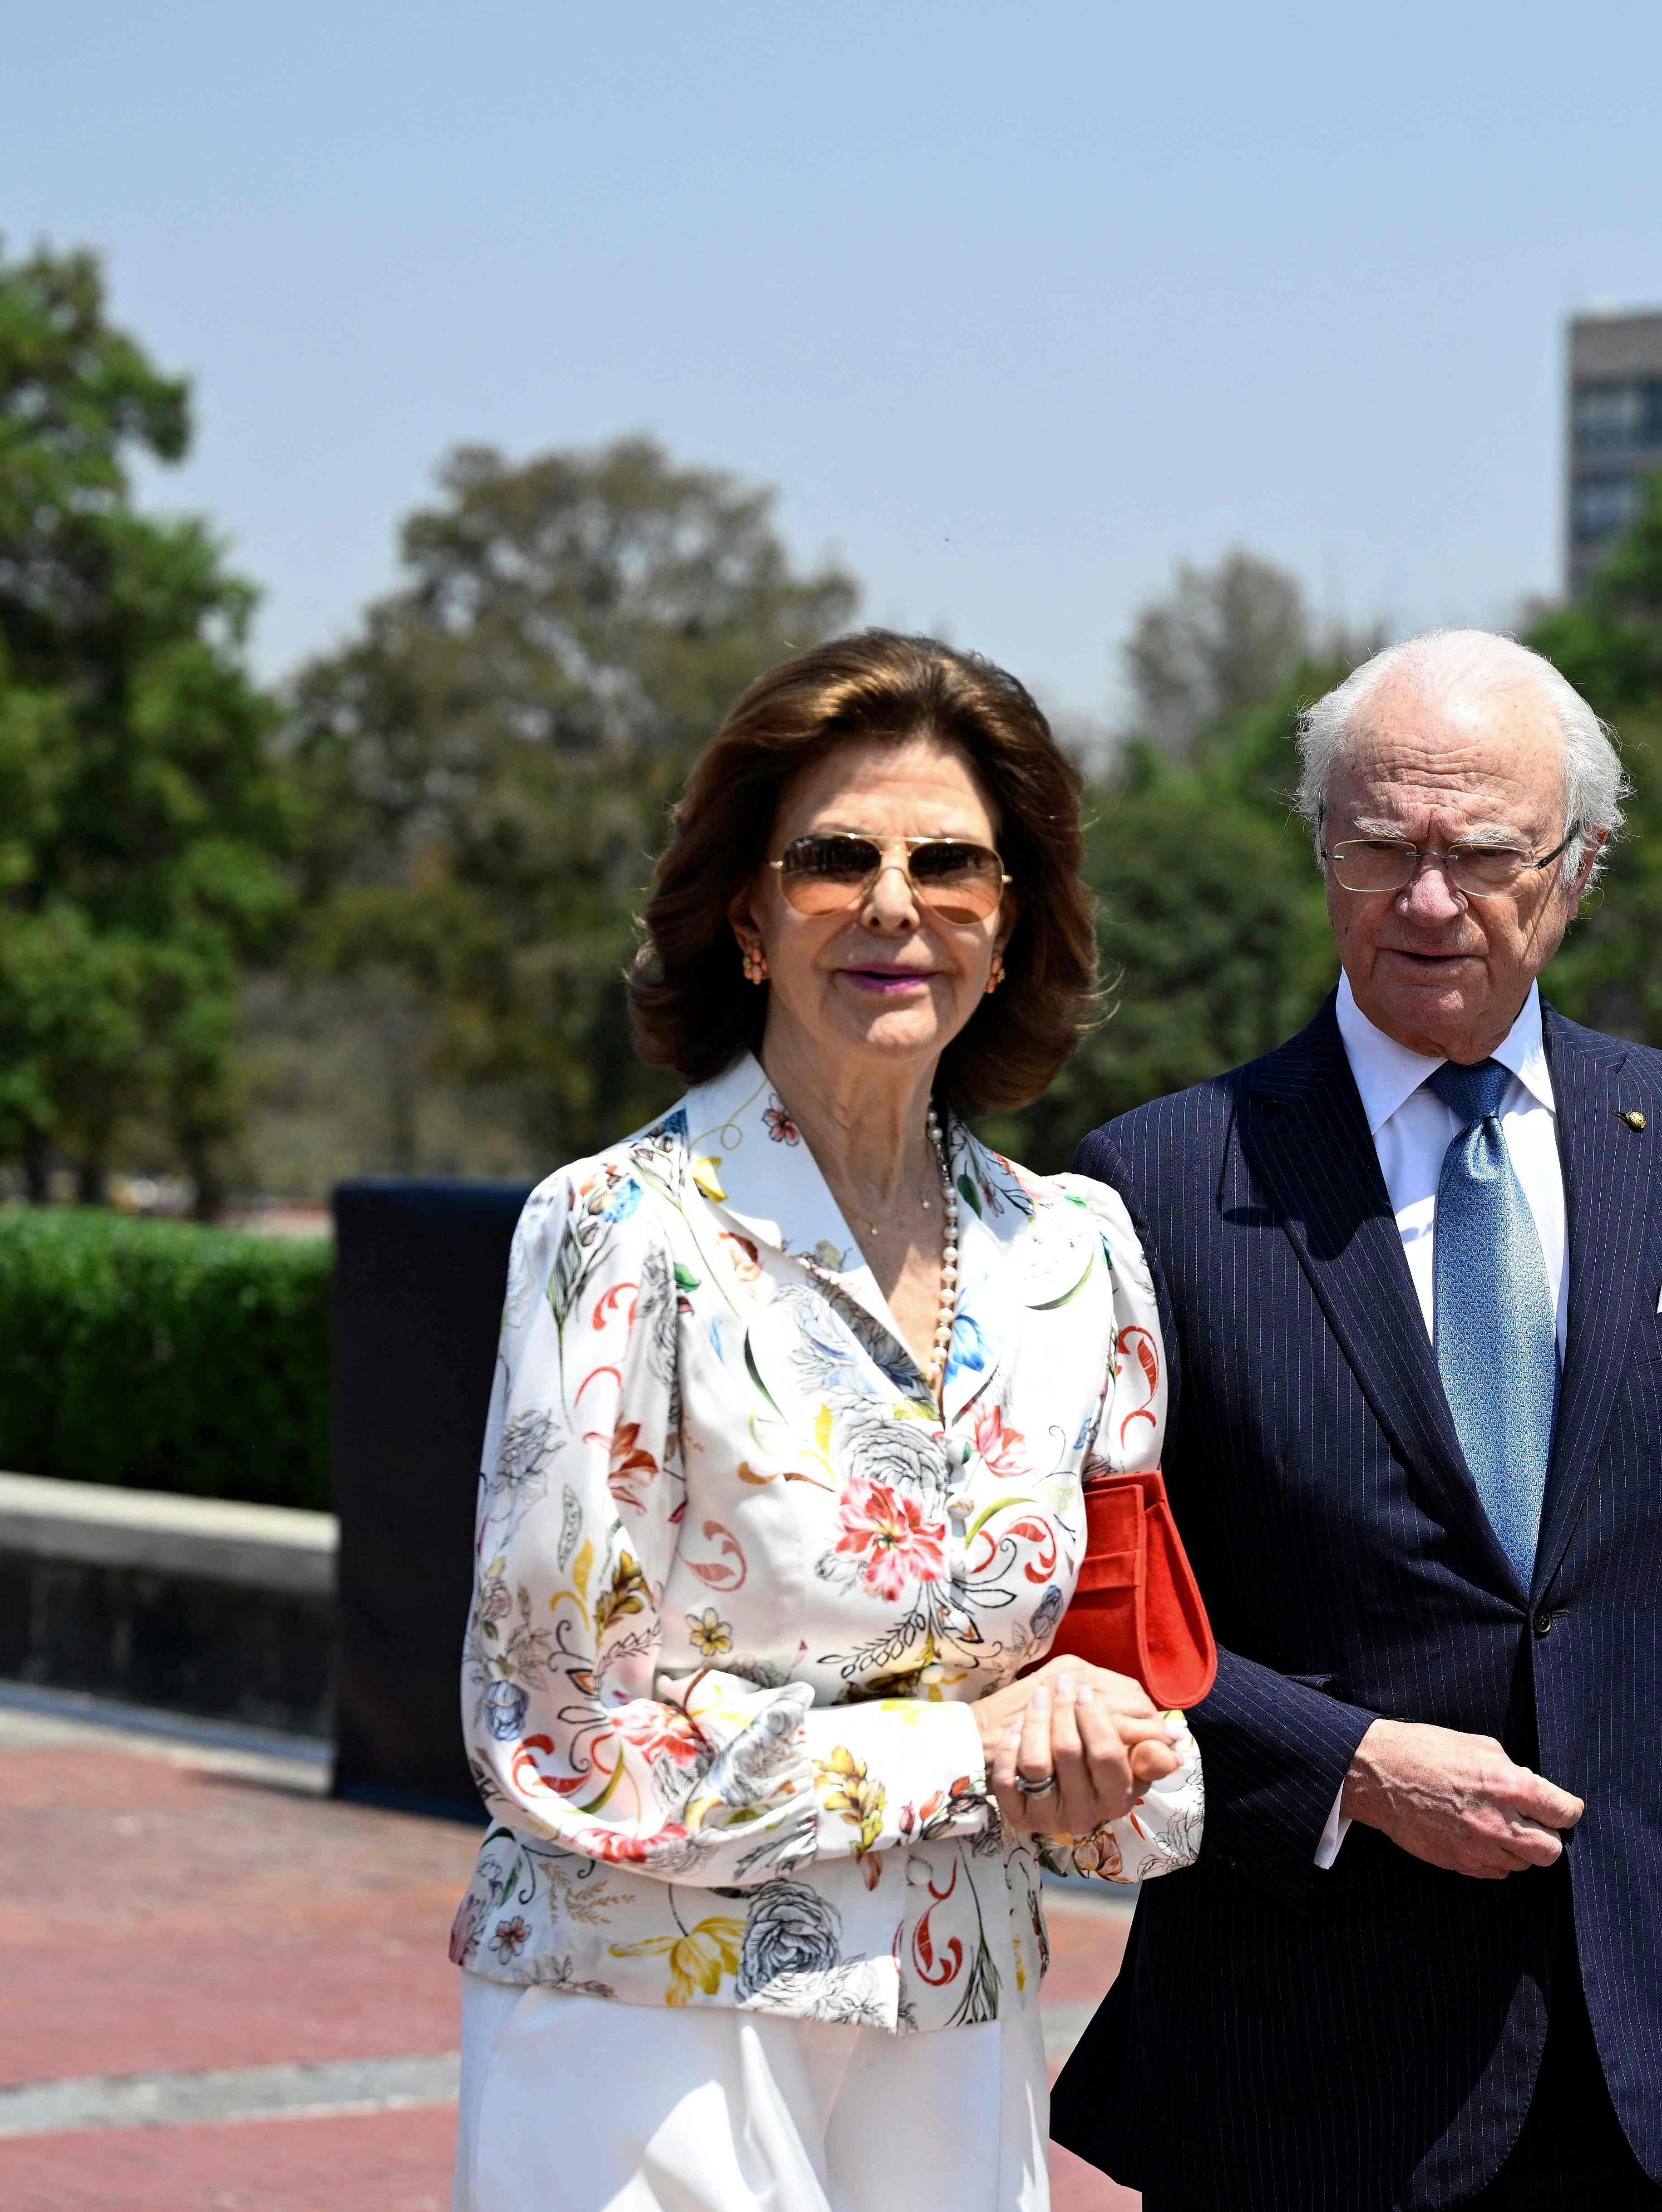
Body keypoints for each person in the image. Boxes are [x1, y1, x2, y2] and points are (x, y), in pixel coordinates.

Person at [1053, 630, 1662, 2211]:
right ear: (1320, 854)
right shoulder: (1156, 1188)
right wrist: (1350, 1763)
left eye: (1480, 853)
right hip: (1294, 2053)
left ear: (1578, 866)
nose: (1425, 899)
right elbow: (1094, 1609)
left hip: (1643, 2056)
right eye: (1377, 846)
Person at [447, 631, 1200, 2212]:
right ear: (743, 915)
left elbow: (1139, 1687)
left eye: (953, 865)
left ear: (1010, 926)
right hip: (652, 2009)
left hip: (961, 2017)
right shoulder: (618, 1230)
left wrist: (1091, 1752)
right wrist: (966, 1748)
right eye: (833, 858)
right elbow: (563, 1735)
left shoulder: (1078, 1255)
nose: (893, 902)